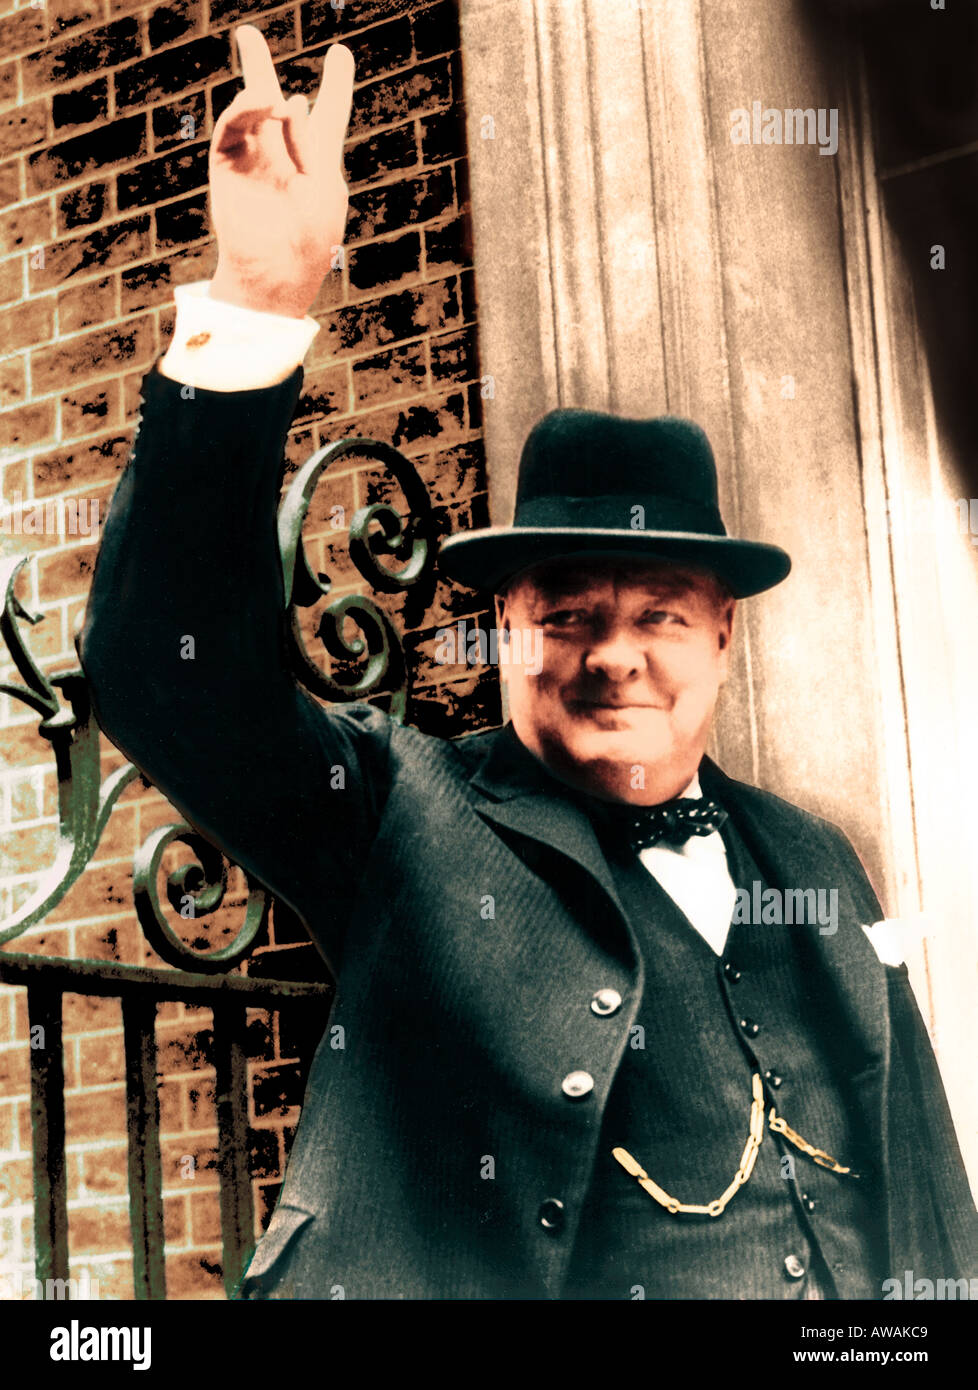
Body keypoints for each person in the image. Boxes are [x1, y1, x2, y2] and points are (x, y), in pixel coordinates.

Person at [79, 28, 978, 1300]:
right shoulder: (408, 820)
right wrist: (258, 306)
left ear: (722, 633)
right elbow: (166, 675)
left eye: (661, 614)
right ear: (505, 626)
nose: (616, 655)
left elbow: (931, 1210)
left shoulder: (819, 865)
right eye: (566, 614)